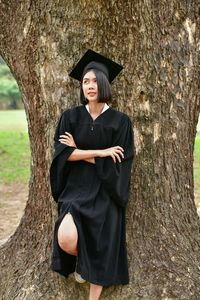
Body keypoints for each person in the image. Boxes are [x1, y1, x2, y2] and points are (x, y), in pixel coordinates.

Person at [50, 49, 134, 300]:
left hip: (107, 191)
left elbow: (120, 161)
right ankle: (83, 264)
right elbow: (62, 155)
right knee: (65, 238)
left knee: (102, 238)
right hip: (75, 190)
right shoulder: (71, 117)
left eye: (95, 80)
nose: (90, 85)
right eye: (86, 81)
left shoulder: (120, 122)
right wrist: (101, 152)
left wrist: (79, 151)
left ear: (105, 83)